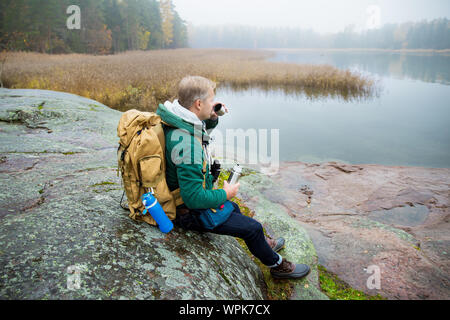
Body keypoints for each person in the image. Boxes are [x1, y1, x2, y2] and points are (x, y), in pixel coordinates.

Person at [156, 75, 310, 279]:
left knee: (234, 209)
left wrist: (211, 117)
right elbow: (193, 198)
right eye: (211, 100)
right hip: (186, 213)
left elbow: (198, 133)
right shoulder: (187, 144)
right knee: (252, 228)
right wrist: (225, 193)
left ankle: (265, 245)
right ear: (198, 103)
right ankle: (278, 266)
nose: (214, 103)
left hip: (186, 201)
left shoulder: (177, 118)